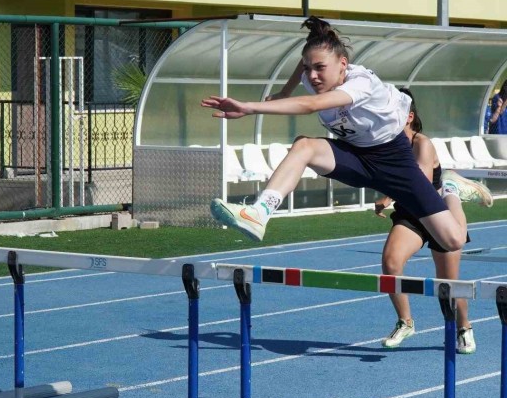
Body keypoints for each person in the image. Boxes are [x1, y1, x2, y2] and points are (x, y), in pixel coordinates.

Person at [201, 16, 491, 253]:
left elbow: (310, 106)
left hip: (394, 160)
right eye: (309, 68)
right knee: (304, 146)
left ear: (343, 65)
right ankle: (260, 213)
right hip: (355, 156)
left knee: (451, 241)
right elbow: (303, 70)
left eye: (320, 68)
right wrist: (286, 90)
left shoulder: (360, 83)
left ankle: (450, 188)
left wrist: (252, 107)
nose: (313, 76)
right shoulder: (313, 75)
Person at [374, 88, 475, 354]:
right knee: (391, 262)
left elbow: (420, 181)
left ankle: (464, 327)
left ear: (408, 117)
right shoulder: (386, 145)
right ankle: (405, 321)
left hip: (437, 211)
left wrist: (386, 197)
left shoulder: (422, 143)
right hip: (411, 214)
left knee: (447, 283)